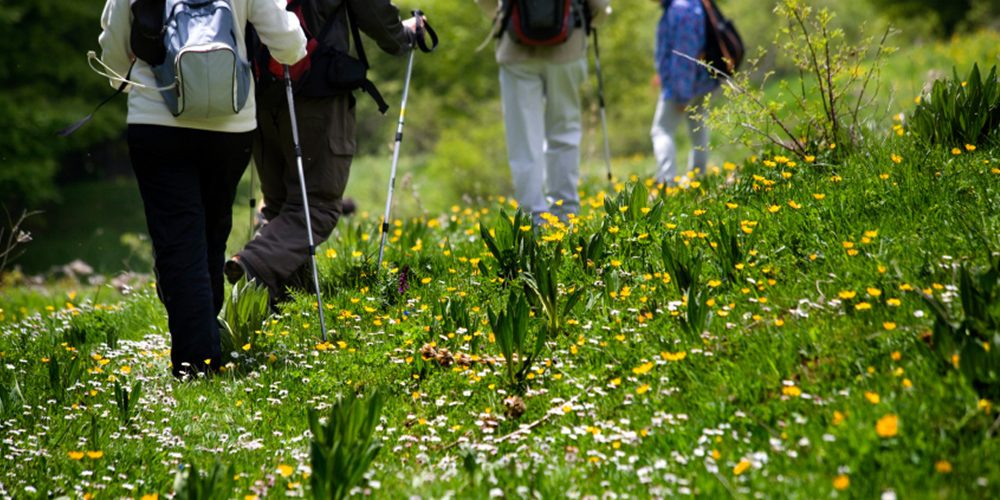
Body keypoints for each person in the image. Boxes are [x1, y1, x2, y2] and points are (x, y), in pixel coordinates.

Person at [98, 0, 307, 378]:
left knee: (179, 240)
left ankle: (198, 363)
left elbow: (114, 45)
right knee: (211, 232)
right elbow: (289, 42)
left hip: (157, 122)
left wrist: (119, 78)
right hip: (230, 124)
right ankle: (204, 342)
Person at [224, 1, 423, 303]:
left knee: (282, 204)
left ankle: (287, 300)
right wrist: (403, 35)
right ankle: (253, 262)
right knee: (317, 206)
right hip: (317, 87)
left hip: (258, 90)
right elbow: (375, 14)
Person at [476, 0, 609, 227]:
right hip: (568, 46)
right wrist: (587, 23)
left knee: (523, 140)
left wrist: (503, 17)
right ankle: (566, 213)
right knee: (565, 132)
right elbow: (600, 5)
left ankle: (534, 217)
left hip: (515, 48)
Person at [650, 0, 719, 186]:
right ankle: (698, 177)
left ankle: (667, 182)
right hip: (701, 81)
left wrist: (682, 94)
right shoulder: (690, 4)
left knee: (661, 130)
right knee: (697, 126)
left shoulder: (680, 9)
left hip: (687, 84)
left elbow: (684, 56)